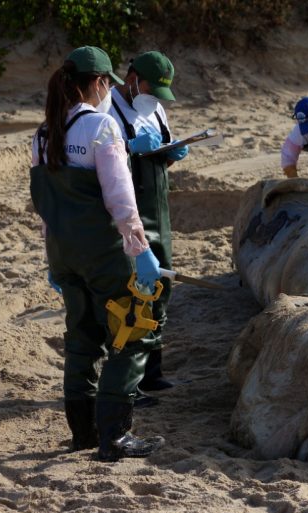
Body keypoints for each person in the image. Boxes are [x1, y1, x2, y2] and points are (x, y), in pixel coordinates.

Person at [29, 46, 165, 460]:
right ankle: (114, 436)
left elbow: (45, 204)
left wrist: (55, 258)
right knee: (133, 332)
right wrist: (140, 250)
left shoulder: (43, 132)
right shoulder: (102, 127)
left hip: (64, 253)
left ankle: (82, 433)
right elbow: (121, 200)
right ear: (101, 82)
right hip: (104, 254)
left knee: (82, 339)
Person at [108, 51, 188, 398]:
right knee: (133, 294)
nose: (153, 97)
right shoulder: (107, 110)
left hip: (159, 212)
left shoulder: (154, 109)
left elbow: (161, 160)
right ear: (131, 79)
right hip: (130, 213)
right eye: (149, 88)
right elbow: (105, 164)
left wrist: (172, 152)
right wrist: (129, 148)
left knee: (161, 287)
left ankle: (152, 371)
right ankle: (130, 380)